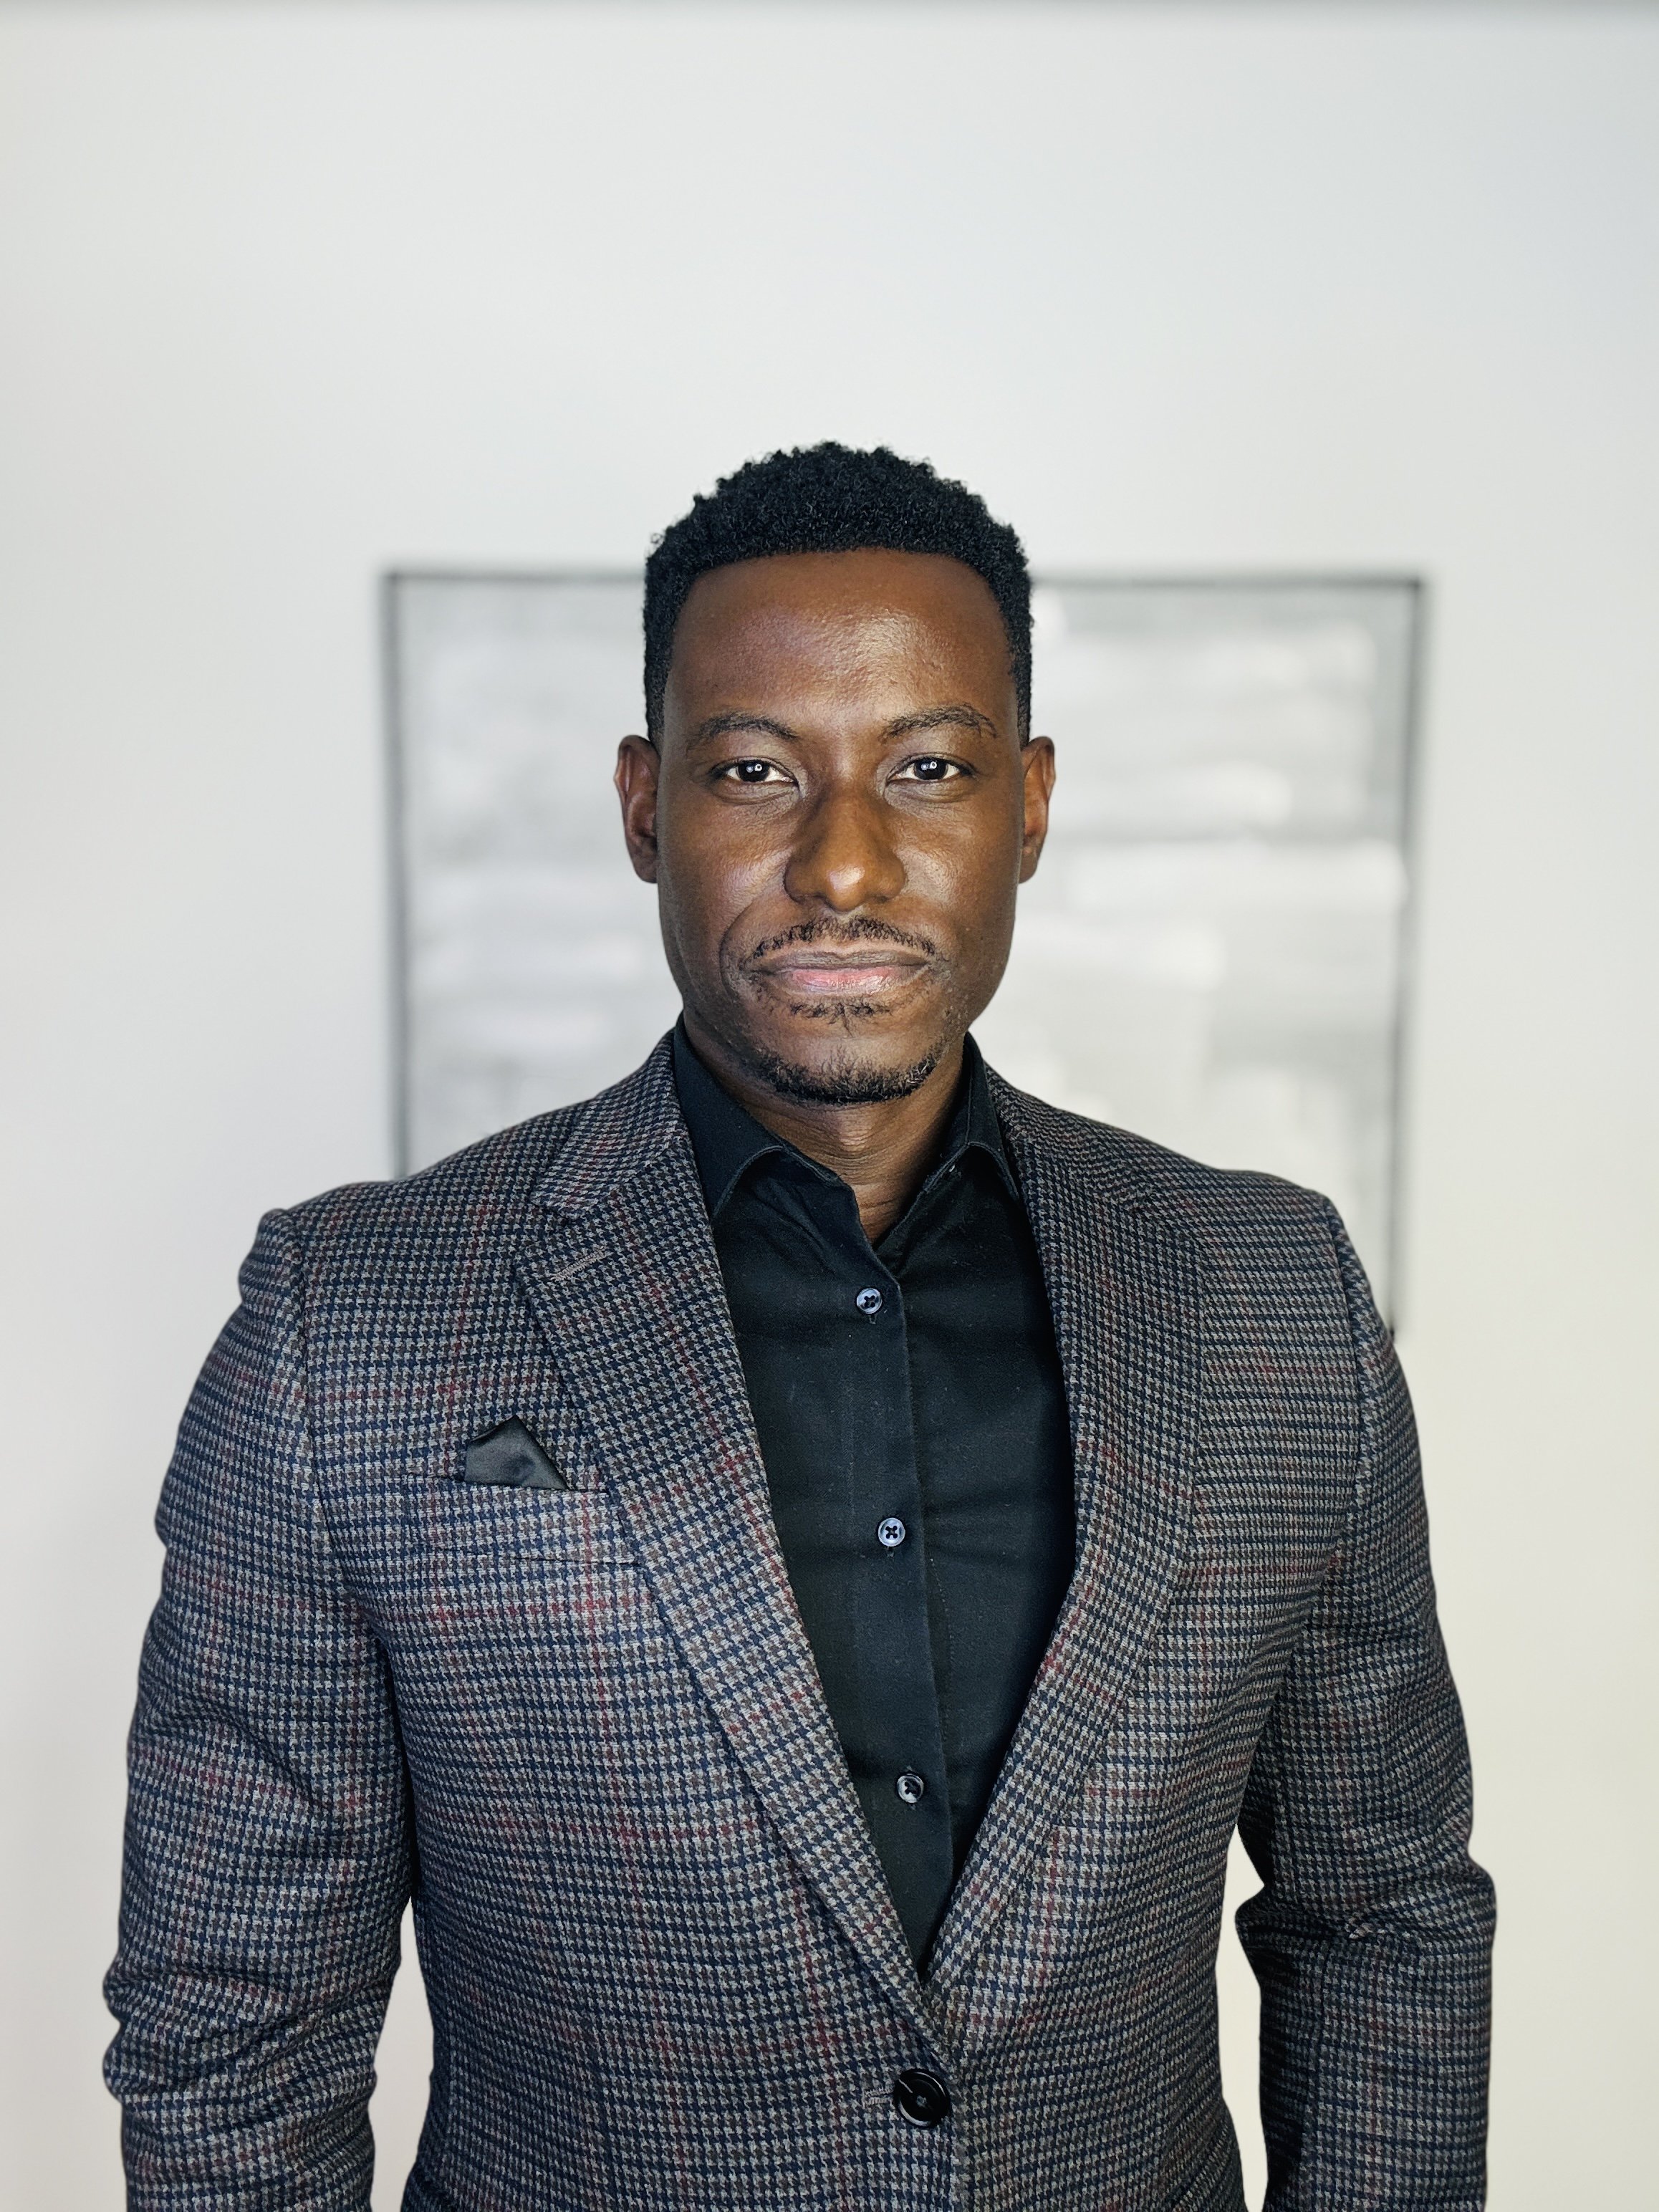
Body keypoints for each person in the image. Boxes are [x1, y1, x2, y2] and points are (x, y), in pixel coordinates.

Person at [105, 445, 1494, 2211]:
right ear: (642, 806)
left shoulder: (1273, 1295)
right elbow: (237, 2018)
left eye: (928, 767)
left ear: (1033, 804)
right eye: (756, 769)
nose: (845, 863)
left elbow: (1382, 1917)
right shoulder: (348, 1327)